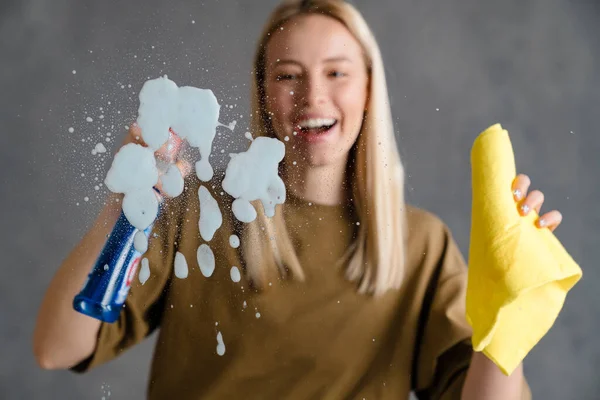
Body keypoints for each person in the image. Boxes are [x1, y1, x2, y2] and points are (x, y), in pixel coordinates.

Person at [33, 0, 564, 398]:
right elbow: (57, 348)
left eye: (337, 72)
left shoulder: (421, 247)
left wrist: (506, 316)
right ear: (264, 92)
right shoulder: (195, 214)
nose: (313, 96)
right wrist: (126, 204)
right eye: (288, 76)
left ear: (368, 90)